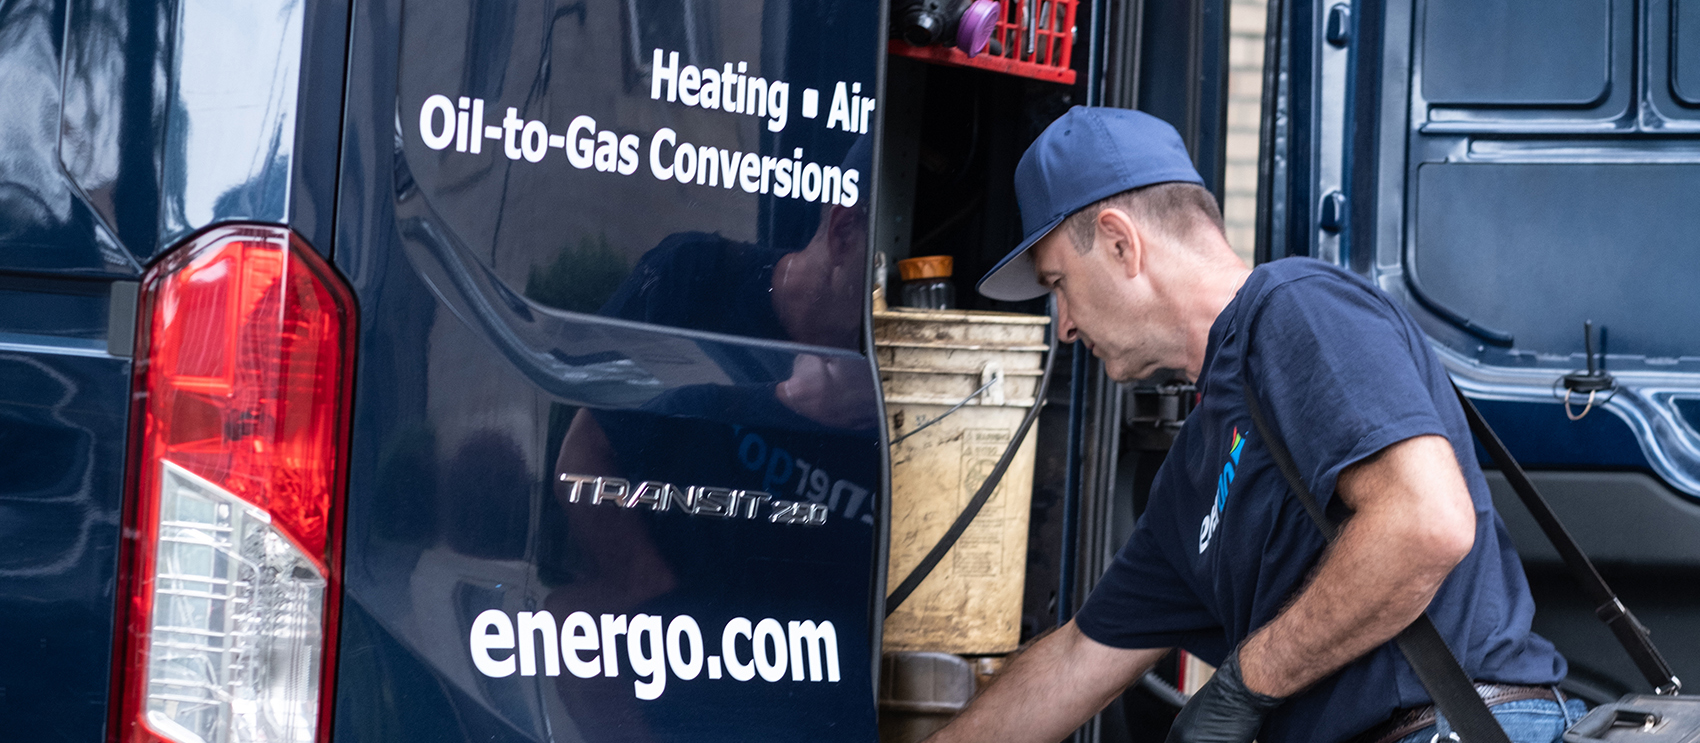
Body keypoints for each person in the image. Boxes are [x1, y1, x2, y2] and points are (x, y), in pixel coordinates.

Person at [928, 107, 1583, 743]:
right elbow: (1076, 659)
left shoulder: (1296, 306)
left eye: (1059, 283)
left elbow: (1425, 523)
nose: (1064, 324)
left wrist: (1246, 682)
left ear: (1121, 241)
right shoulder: (1193, 472)